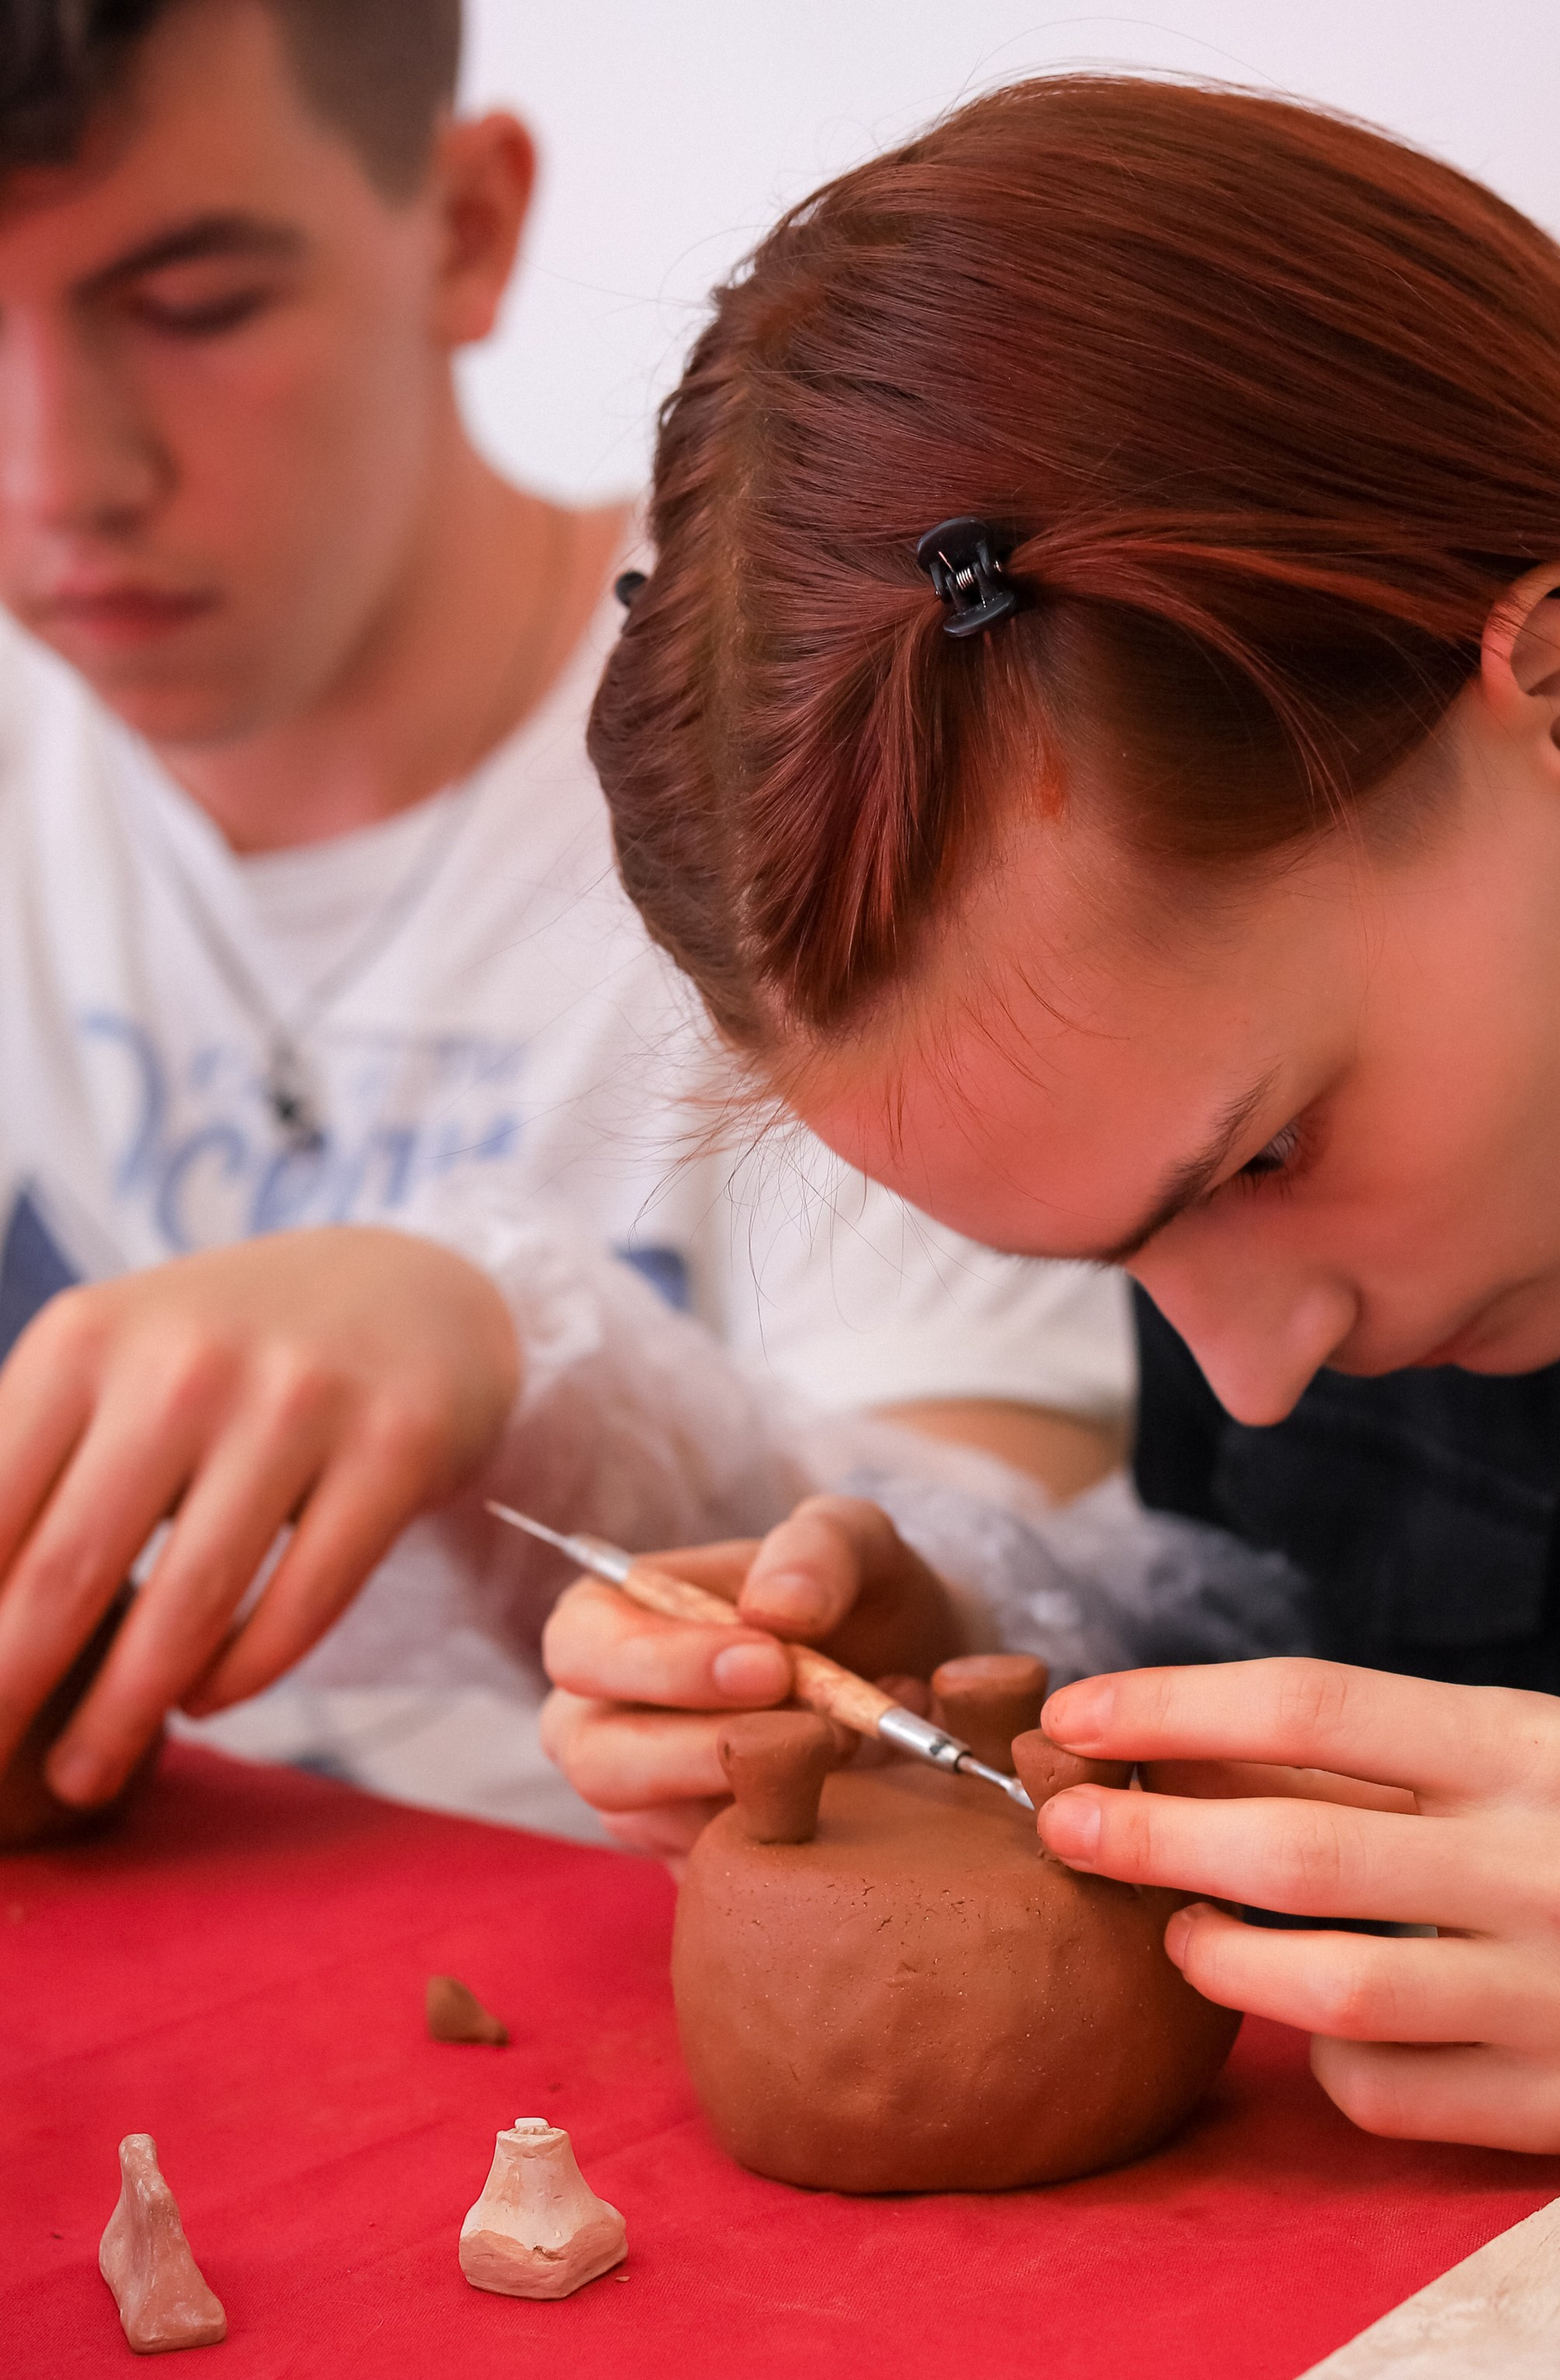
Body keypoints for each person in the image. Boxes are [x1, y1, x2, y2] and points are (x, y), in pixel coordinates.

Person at [539, 75, 1560, 2182]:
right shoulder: (1290, 942)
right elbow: (1357, 1624)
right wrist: (1014, 1695)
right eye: (1124, 1257)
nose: (1249, 1368)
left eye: (1258, 1163)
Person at [0, 2, 1128, 1836]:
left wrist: (514, 1357)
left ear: (463, 229)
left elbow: (1021, 1631)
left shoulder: (833, 755)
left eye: (193, 308)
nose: (60, 482)